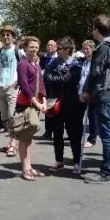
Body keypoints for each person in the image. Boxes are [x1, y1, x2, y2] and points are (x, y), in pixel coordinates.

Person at [81, 15, 110, 184]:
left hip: (104, 93)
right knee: (109, 130)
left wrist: (86, 91)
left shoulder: (103, 48)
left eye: (93, 28)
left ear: (96, 30)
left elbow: (95, 72)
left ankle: (107, 172)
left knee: (106, 133)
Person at [44, 36, 86, 174]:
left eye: (60, 48)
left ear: (67, 50)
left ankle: (76, 162)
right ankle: (59, 161)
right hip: (55, 102)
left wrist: (57, 78)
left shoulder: (77, 63)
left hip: (72, 103)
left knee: (74, 132)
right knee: (57, 132)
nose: (57, 50)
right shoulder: (54, 61)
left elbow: (68, 80)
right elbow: (46, 76)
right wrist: (60, 78)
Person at [16, 36, 47, 181]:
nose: (34, 49)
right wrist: (36, 102)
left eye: (36, 47)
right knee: (24, 138)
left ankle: (29, 167)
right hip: (25, 104)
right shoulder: (22, 64)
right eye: (31, 47)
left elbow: (41, 84)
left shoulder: (36, 64)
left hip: (35, 104)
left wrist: (44, 100)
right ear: (25, 48)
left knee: (29, 138)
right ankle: (25, 169)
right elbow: (24, 86)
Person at [0, 25, 21, 158]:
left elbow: (23, 69)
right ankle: (12, 141)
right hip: (0, 87)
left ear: (13, 37)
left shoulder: (18, 51)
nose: (5, 37)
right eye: (3, 35)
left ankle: (13, 145)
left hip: (12, 87)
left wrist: (16, 83)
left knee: (12, 117)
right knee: (5, 119)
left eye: (8, 35)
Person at [80, 40, 99, 150]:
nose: (85, 50)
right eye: (84, 48)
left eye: (87, 48)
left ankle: (92, 138)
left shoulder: (95, 61)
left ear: (92, 49)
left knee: (92, 116)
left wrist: (88, 91)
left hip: (91, 92)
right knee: (79, 115)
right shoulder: (83, 61)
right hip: (81, 91)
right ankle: (78, 135)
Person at [39, 39, 58, 140]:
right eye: (48, 45)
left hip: (55, 86)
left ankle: (57, 131)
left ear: (56, 47)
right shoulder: (43, 58)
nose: (49, 47)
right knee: (47, 108)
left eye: (52, 45)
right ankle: (48, 131)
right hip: (45, 86)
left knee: (56, 109)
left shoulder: (58, 58)